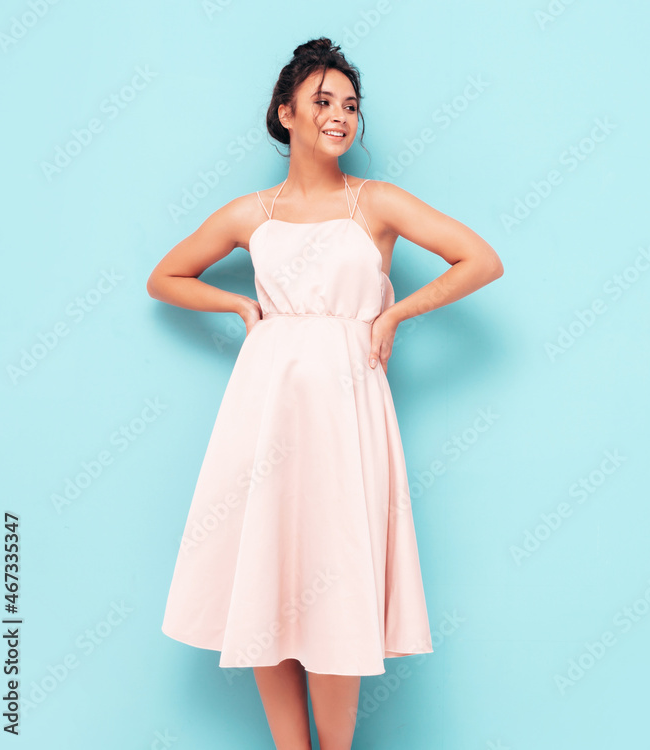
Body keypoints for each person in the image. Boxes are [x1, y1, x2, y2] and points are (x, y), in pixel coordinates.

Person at [146, 37, 503, 750]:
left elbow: (481, 260)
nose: (339, 115)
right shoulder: (252, 214)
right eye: (323, 102)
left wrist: (398, 310)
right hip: (264, 406)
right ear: (286, 113)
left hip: (347, 407)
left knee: (335, 575)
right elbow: (165, 277)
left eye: (350, 105)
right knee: (268, 573)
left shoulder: (375, 202)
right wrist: (238, 308)